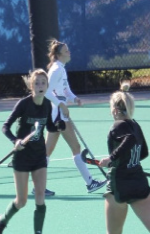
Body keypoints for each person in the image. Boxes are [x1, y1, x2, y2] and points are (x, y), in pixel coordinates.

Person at [0, 69, 64, 234]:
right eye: (37, 83)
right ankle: (2, 221)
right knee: (21, 201)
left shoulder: (47, 104)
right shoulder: (24, 104)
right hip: (22, 157)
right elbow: (5, 127)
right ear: (31, 86)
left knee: (40, 197)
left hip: (39, 157)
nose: (40, 86)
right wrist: (15, 140)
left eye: (43, 83)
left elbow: (49, 126)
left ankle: (38, 231)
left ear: (47, 86)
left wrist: (58, 126)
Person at [44, 40, 106, 194]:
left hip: (59, 112)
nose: (69, 52)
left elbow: (66, 91)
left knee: (47, 151)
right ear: (58, 54)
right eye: (66, 51)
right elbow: (46, 91)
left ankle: (38, 187)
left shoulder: (61, 69)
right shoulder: (56, 69)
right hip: (58, 114)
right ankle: (90, 183)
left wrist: (74, 99)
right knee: (74, 148)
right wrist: (61, 105)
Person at [98, 88, 150, 234]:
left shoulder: (118, 125)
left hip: (119, 184)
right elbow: (143, 153)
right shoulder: (135, 125)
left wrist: (111, 158)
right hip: (138, 181)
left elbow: (130, 139)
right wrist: (130, 162)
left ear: (114, 110)